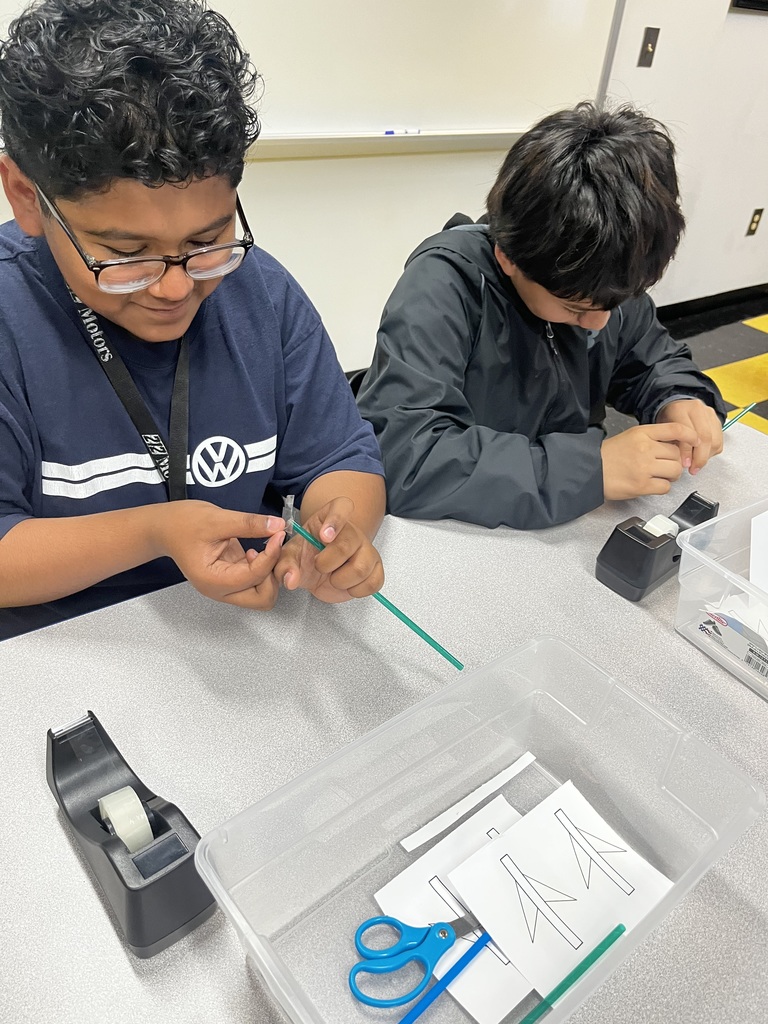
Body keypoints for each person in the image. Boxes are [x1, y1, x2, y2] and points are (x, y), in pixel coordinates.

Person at [0, 0, 385, 640]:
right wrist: (156, 532)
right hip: (62, 661)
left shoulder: (262, 296)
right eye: (125, 255)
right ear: (26, 197)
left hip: (243, 648)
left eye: (209, 239)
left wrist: (335, 534)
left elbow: (342, 459)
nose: (177, 286)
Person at [356, 103, 726, 530]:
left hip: (565, 526)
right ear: (507, 257)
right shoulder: (444, 284)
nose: (600, 323)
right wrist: (590, 470)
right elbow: (406, 457)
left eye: (616, 306)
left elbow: (653, 359)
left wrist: (678, 399)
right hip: (460, 533)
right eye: (575, 309)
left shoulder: (603, 282)